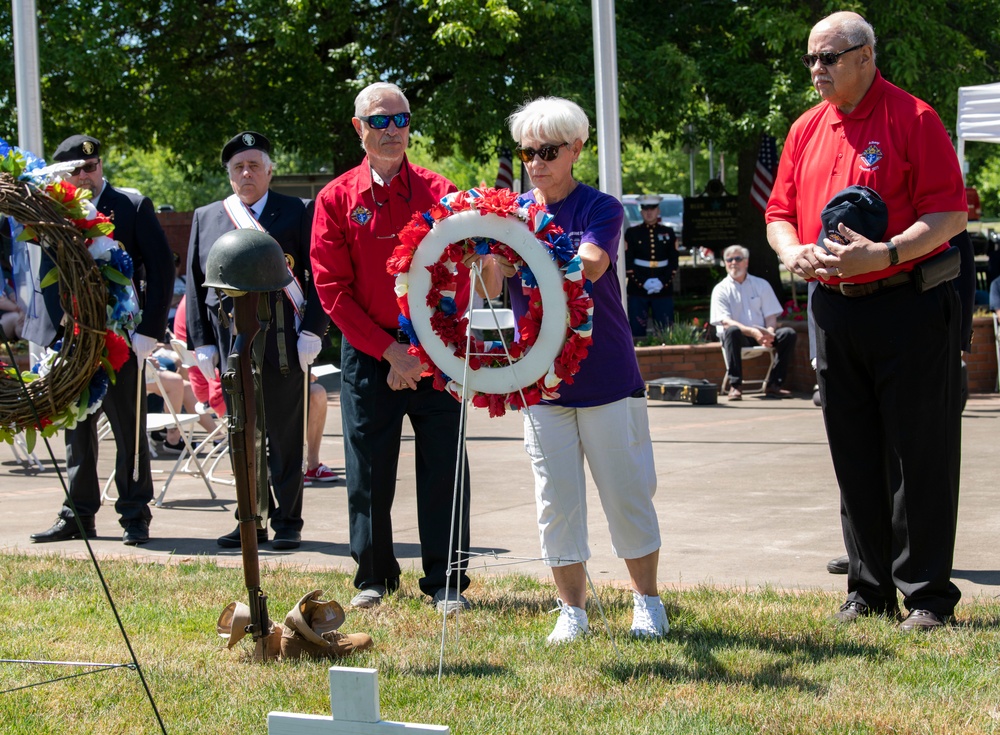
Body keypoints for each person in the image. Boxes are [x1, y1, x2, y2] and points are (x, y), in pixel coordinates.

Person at [766, 12, 967, 631]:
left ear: (865, 55)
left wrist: (884, 254)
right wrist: (790, 250)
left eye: (828, 58)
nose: (817, 70)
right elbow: (778, 212)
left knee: (918, 452)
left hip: (907, 303)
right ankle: (868, 589)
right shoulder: (805, 128)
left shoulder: (914, 118)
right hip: (833, 308)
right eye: (810, 60)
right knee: (852, 451)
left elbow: (949, 213)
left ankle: (928, 596)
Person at [475, 97, 667, 643]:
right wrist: (485, 257)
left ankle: (647, 603)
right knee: (555, 499)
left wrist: (524, 251)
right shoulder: (508, 212)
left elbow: (591, 264)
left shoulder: (601, 206)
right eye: (527, 151)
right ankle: (572, 611)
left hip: (604, 371)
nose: (536, 161)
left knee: (626, 493)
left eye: (548, 150)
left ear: (576, 149)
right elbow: (491, 289)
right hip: (539, 376)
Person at [310, 82, 472, 614]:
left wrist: (426, 349)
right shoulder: (336, 199)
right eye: (380, 122)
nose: (392, 131)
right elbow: (332, 290)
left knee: (445, 465)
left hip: (436, 348)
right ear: (359, 129)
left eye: (400, 120)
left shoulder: (441, 191)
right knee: (370, 468)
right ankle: (374, 577)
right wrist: (387, 351)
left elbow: (459, 273)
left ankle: (446, 581)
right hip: (369, 352)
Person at [186, 131, 329, 551]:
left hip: (286, 341)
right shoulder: (208, 216)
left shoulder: (298, 211)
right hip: (231, 342)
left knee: (284, 435)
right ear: (229, 175)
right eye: (237, 167)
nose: (246, 173)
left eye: (253, 165)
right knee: (241, 432)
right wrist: (202, 341)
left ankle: (287, 521)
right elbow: (197, 287)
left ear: (269, 171)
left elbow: (318, 274)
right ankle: (249, 518)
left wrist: (313, 331)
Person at [30, 135, 174, 546]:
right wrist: (58, 335)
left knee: (129, 429)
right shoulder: (54, 210)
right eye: (76, 170)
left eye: (91, 167)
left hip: (122, 339)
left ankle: (134, 515)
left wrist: (149, 331)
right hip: (74, 342)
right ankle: (78, 515)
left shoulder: (130, 204)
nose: (85, 175)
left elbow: (161, 268)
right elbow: (48, 276)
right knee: (76, 429)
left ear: (101, 167)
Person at [709, 245, 797, 401]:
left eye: (737, 259)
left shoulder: (761, 284)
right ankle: (735, 386)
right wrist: (753, 332)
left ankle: (774, 385)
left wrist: (768, 332)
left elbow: (771, 315)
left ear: (746, 262)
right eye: (729, 260)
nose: (733, 263)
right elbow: (726, 321)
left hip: (761, 334)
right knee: (731, 331)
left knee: (788, 334)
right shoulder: (720, 289)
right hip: (738, 338)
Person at [625, 195, 678, 337]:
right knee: (637, 329)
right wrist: (642, 282)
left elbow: (673, 262)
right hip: (638, 288)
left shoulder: (668, 232)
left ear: (658, 211)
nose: (649, 212)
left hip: (663, 288)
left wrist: (663, 281)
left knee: (665, 330)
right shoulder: (632, 233)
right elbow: (628, 262)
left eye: (652, 209)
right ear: (641, 212)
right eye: (645, 209)